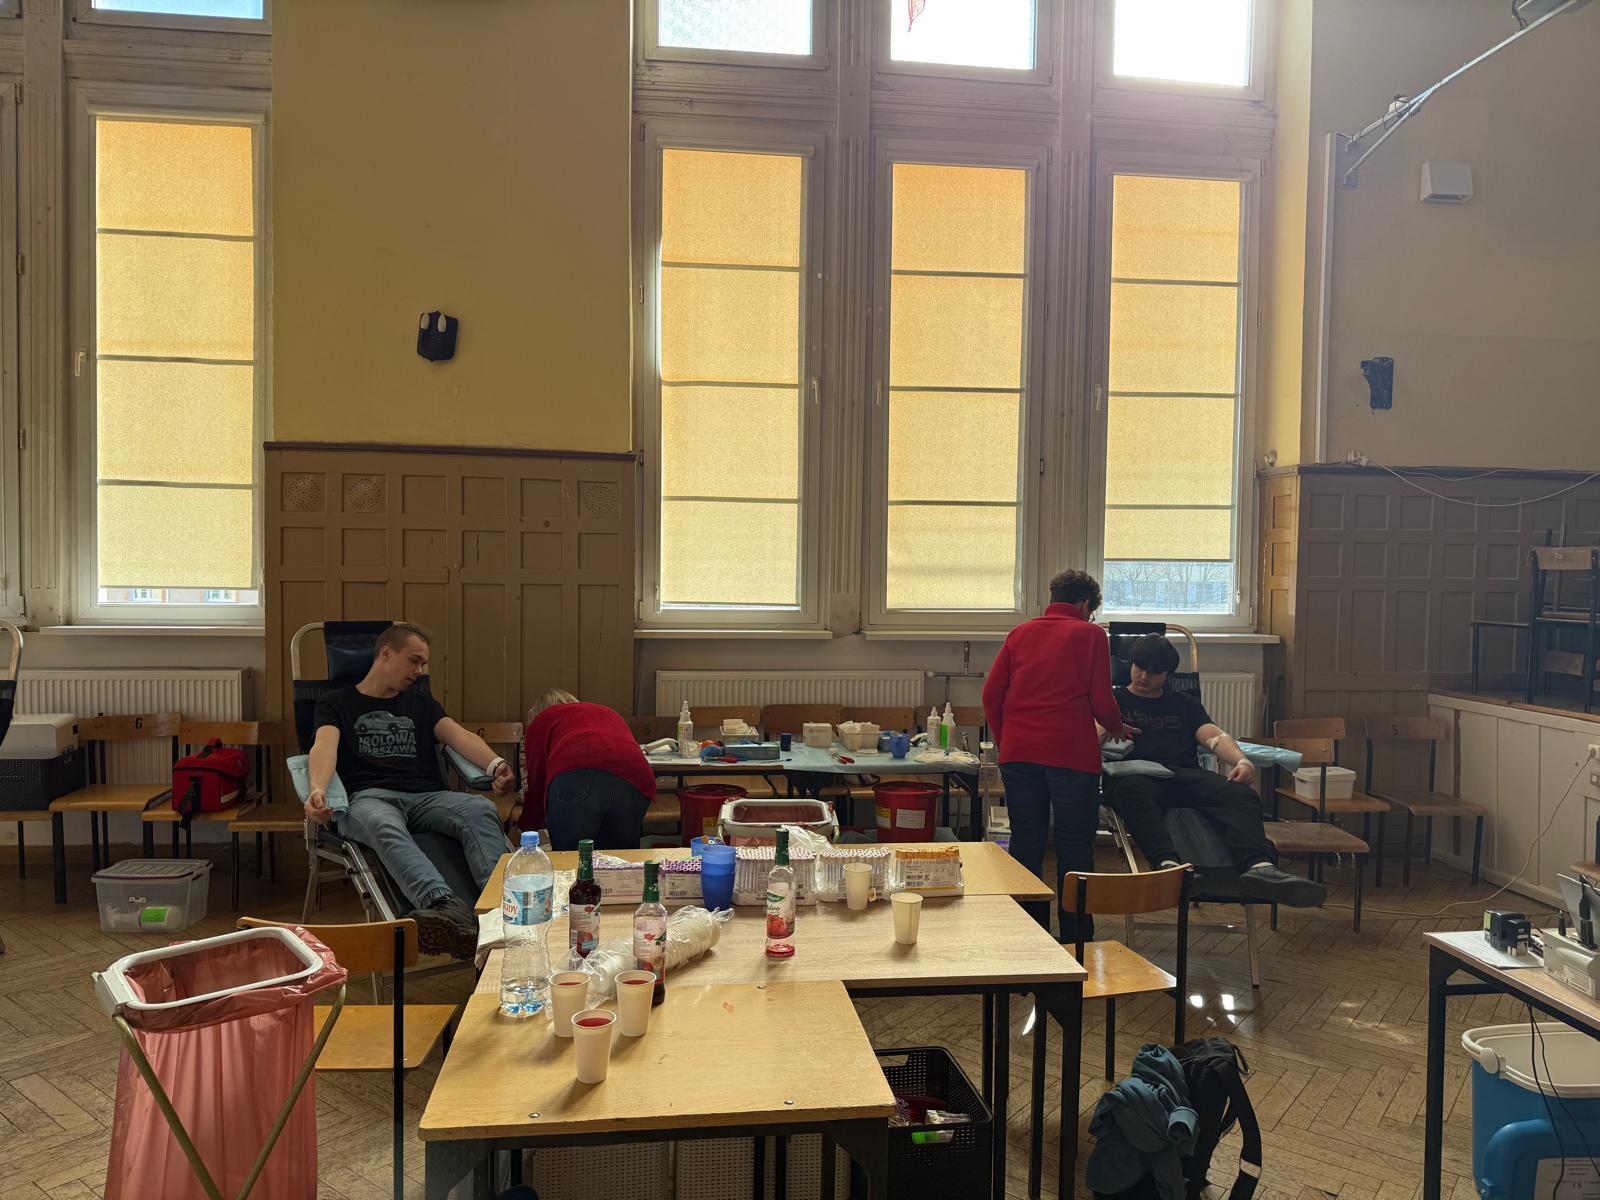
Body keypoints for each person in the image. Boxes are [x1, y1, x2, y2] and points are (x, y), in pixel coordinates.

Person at [305, 622, 516, 958]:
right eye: (414, 661)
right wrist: (317, 789)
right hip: (371, 797)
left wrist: (496, 765)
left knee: (480, 808)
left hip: (427, 797)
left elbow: (459, 737)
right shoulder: (335, 703)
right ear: (386, 654)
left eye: (423, 664)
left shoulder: (421, 703)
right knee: (381, 823)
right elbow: (324, 747)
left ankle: (501, 905)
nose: (419, 671)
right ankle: (444, 905)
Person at [1106, 634, 1325, 906]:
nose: (1143, 676)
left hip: (1182, 775)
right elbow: (1089, 736)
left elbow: (1214, 736)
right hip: (1134, 775)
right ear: (1130, 663)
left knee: (1240, 794)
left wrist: (1242, 762)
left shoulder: (1185, 704)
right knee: (1132, 790)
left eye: (1154, 672)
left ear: (1167, 674)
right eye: (1139, 667)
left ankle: (1260, 868)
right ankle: (1169, 867)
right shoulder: (1112, 700)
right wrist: (1106, 726)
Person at [983, 569, 1136, 942]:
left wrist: (1007, 741)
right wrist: (1116, 726)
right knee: (1075, 850)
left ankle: (1030, 940)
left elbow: (990, 695)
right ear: (1085, 604)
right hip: (1071, 758)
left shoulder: (1020, 633)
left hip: (1020, 756)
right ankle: (1075, 942)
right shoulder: (1090, 635)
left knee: (1026, 846)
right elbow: (1102, 699)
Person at [522, 690, 656, 850]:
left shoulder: (542, 719)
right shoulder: (605, 712)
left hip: (577, 774)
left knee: (571, 858)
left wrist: (527, 827)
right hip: (637, 779)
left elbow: (537, 781)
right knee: (617, 859)